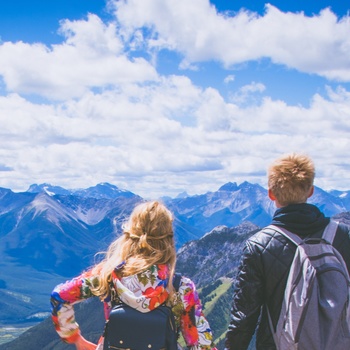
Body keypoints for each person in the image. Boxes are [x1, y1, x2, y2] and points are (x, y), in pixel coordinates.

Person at [51, 200, 217, 350]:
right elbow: (201, 344)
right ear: (168, 240)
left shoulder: (107, 275)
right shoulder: (181, 287)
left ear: (130, 235)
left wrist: (75, 338)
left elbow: (60, 295)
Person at [224, 153, 350, 349]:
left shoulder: (259, 245)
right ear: (311, 191)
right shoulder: (343, 235)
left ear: (271, 194)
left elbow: (244, 316)